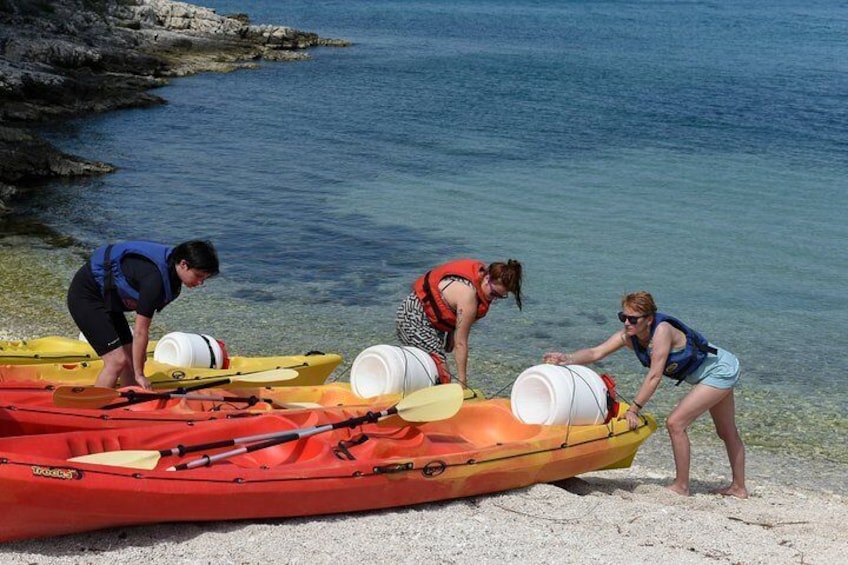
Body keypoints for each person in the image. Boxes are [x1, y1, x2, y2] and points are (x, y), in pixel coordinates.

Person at [542, 291, 748, 499]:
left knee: (676, 423)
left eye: (633, 319)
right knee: (726, 431)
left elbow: (655, 375)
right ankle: (739, 488)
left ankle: (682, 486)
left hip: (720, 370)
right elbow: (596, 352)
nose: (627, 323)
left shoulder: (662, 332)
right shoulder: (628, 337)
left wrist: (634, 409)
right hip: (714, 371)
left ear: (649, 319)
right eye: (623, 317)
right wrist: (567, 358)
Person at [67, 239, 219, 389]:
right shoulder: (155, 280)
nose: (200, 283)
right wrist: (140, 374)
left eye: (204, 279)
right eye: (198, 276)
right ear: (184, 264)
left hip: (109, 302)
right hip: (86, 297)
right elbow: (140, 331)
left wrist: (137, 368)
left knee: (132, 359)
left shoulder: (171, 274)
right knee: (117, 361)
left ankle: (128, 404)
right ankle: (95, 408)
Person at [396, 258, 523, 387]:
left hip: (431, 320)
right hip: (413, 317)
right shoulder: (468, 296)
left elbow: (450, 307)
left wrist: (451, 333)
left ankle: (411, 386)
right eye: (493, 293)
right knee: (441, 372)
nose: (494, 299)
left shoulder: (477, 281)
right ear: (487, 278)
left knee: (427, 367)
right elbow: (461, 343)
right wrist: (463, 382)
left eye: (500, 296)